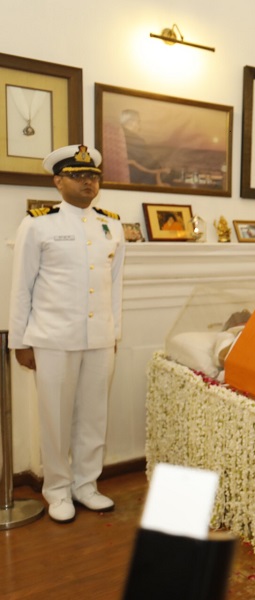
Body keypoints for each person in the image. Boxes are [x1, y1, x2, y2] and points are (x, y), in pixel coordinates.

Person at [9, 144, 125, 524]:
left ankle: (85, 485)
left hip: (99, 337)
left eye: (92, 175)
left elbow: (115, 285)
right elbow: (21, 285)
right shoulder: (38, 223)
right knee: (56, 417)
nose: (88, 182)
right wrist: (21, 341)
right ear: (58, 181)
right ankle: (57, 490)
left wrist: (115, 333)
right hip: (52, 337)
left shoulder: (111, 224)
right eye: (77, 176)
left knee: (93, 415)